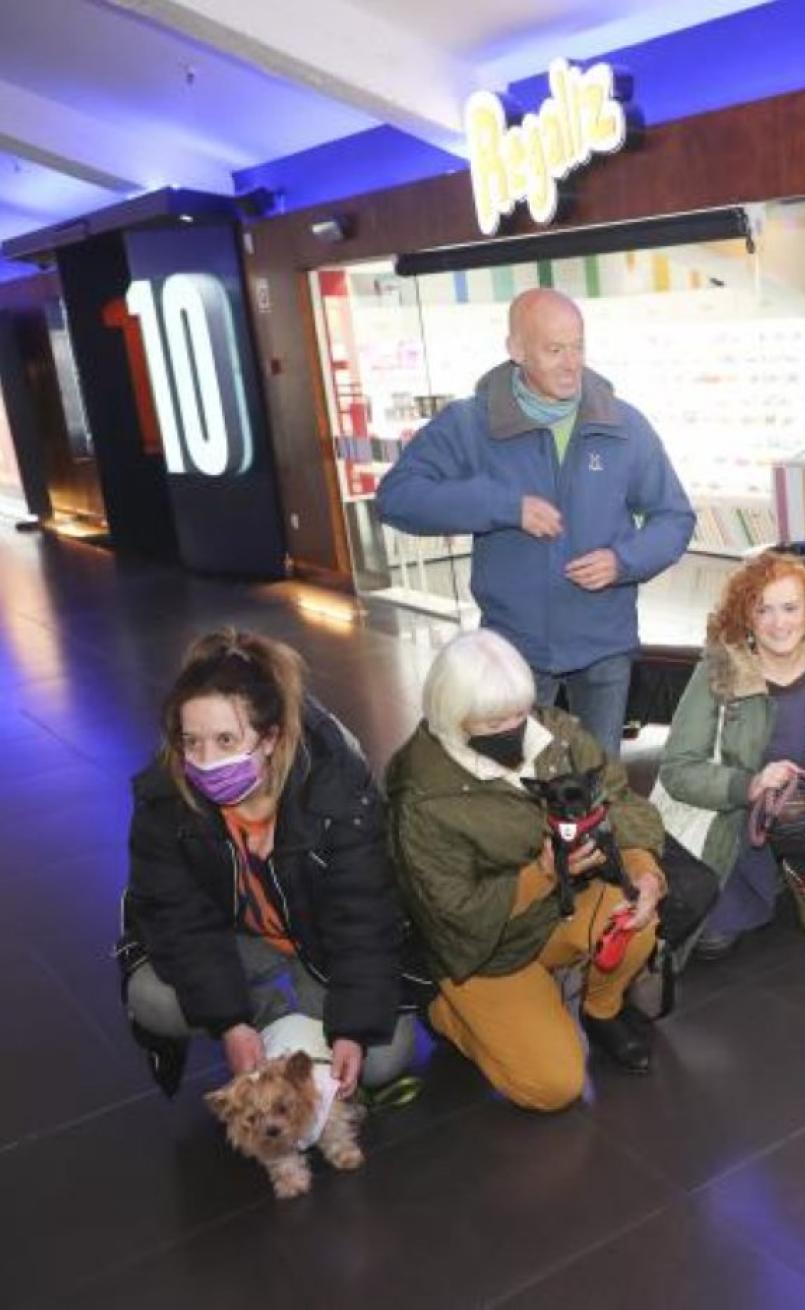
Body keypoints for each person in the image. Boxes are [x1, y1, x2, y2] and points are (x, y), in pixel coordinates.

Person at [386, 628, 714, 1111]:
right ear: (452, 717)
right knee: (554, 1085)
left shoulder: (553, 732)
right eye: (496, 721)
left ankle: (599, 1009)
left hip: (560, 909)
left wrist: (644, 869)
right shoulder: (422, 798)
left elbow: (618, 798)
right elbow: (454, 916)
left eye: (521, 712)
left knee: (636, 920)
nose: (517, 729)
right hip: (487, 952)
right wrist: (541, 872)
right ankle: (449, 1013)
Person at [376, 287, 696, 757]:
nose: (572, 364)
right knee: (516, 783)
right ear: (517, 351)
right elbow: (397, 497)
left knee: (599, 780)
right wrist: (503, 506)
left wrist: (623, 561)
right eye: (554, 349)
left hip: (604, 643)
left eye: (578, 347)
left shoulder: (623, 425)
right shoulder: (469, 423)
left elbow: (674, 516)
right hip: (512, 650)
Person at [121, 630, 418, 1100]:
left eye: (225, 740)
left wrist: (352, 1030)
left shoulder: (337, 787)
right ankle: (270, 1023)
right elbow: (179, 920)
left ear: (270, 738)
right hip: (239, 938)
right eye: (190, 741)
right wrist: (230, 1024)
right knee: (152, 998)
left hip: (319, 939)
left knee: (380, 1059)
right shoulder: (165, 799)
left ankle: (294, 1032)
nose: (205, 761)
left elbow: (362, 914)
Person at [657, 551, 805, 959]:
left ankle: (804, 867)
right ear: (745, 615)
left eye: (789, 608)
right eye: (762, 609)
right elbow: (678, 769)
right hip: (736, 814)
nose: (778, 622)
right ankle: (768, 871)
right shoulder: (720, 667)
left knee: (793, 809)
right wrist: (747, 785)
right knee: (710, 944)